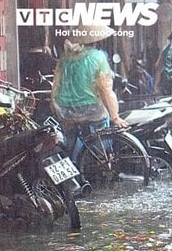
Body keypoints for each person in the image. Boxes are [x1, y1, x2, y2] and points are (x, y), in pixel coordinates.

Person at [51, 24, 129, 158]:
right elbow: (106, 89)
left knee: (69, 144)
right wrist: (115, 117)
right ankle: (100, 158)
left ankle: (72, 163)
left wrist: (54, 106)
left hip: (65, 110)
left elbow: (56, 86)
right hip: (92, 110)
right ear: (96, 40)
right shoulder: (98, 57)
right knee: (100, 134)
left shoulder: (65, 57)